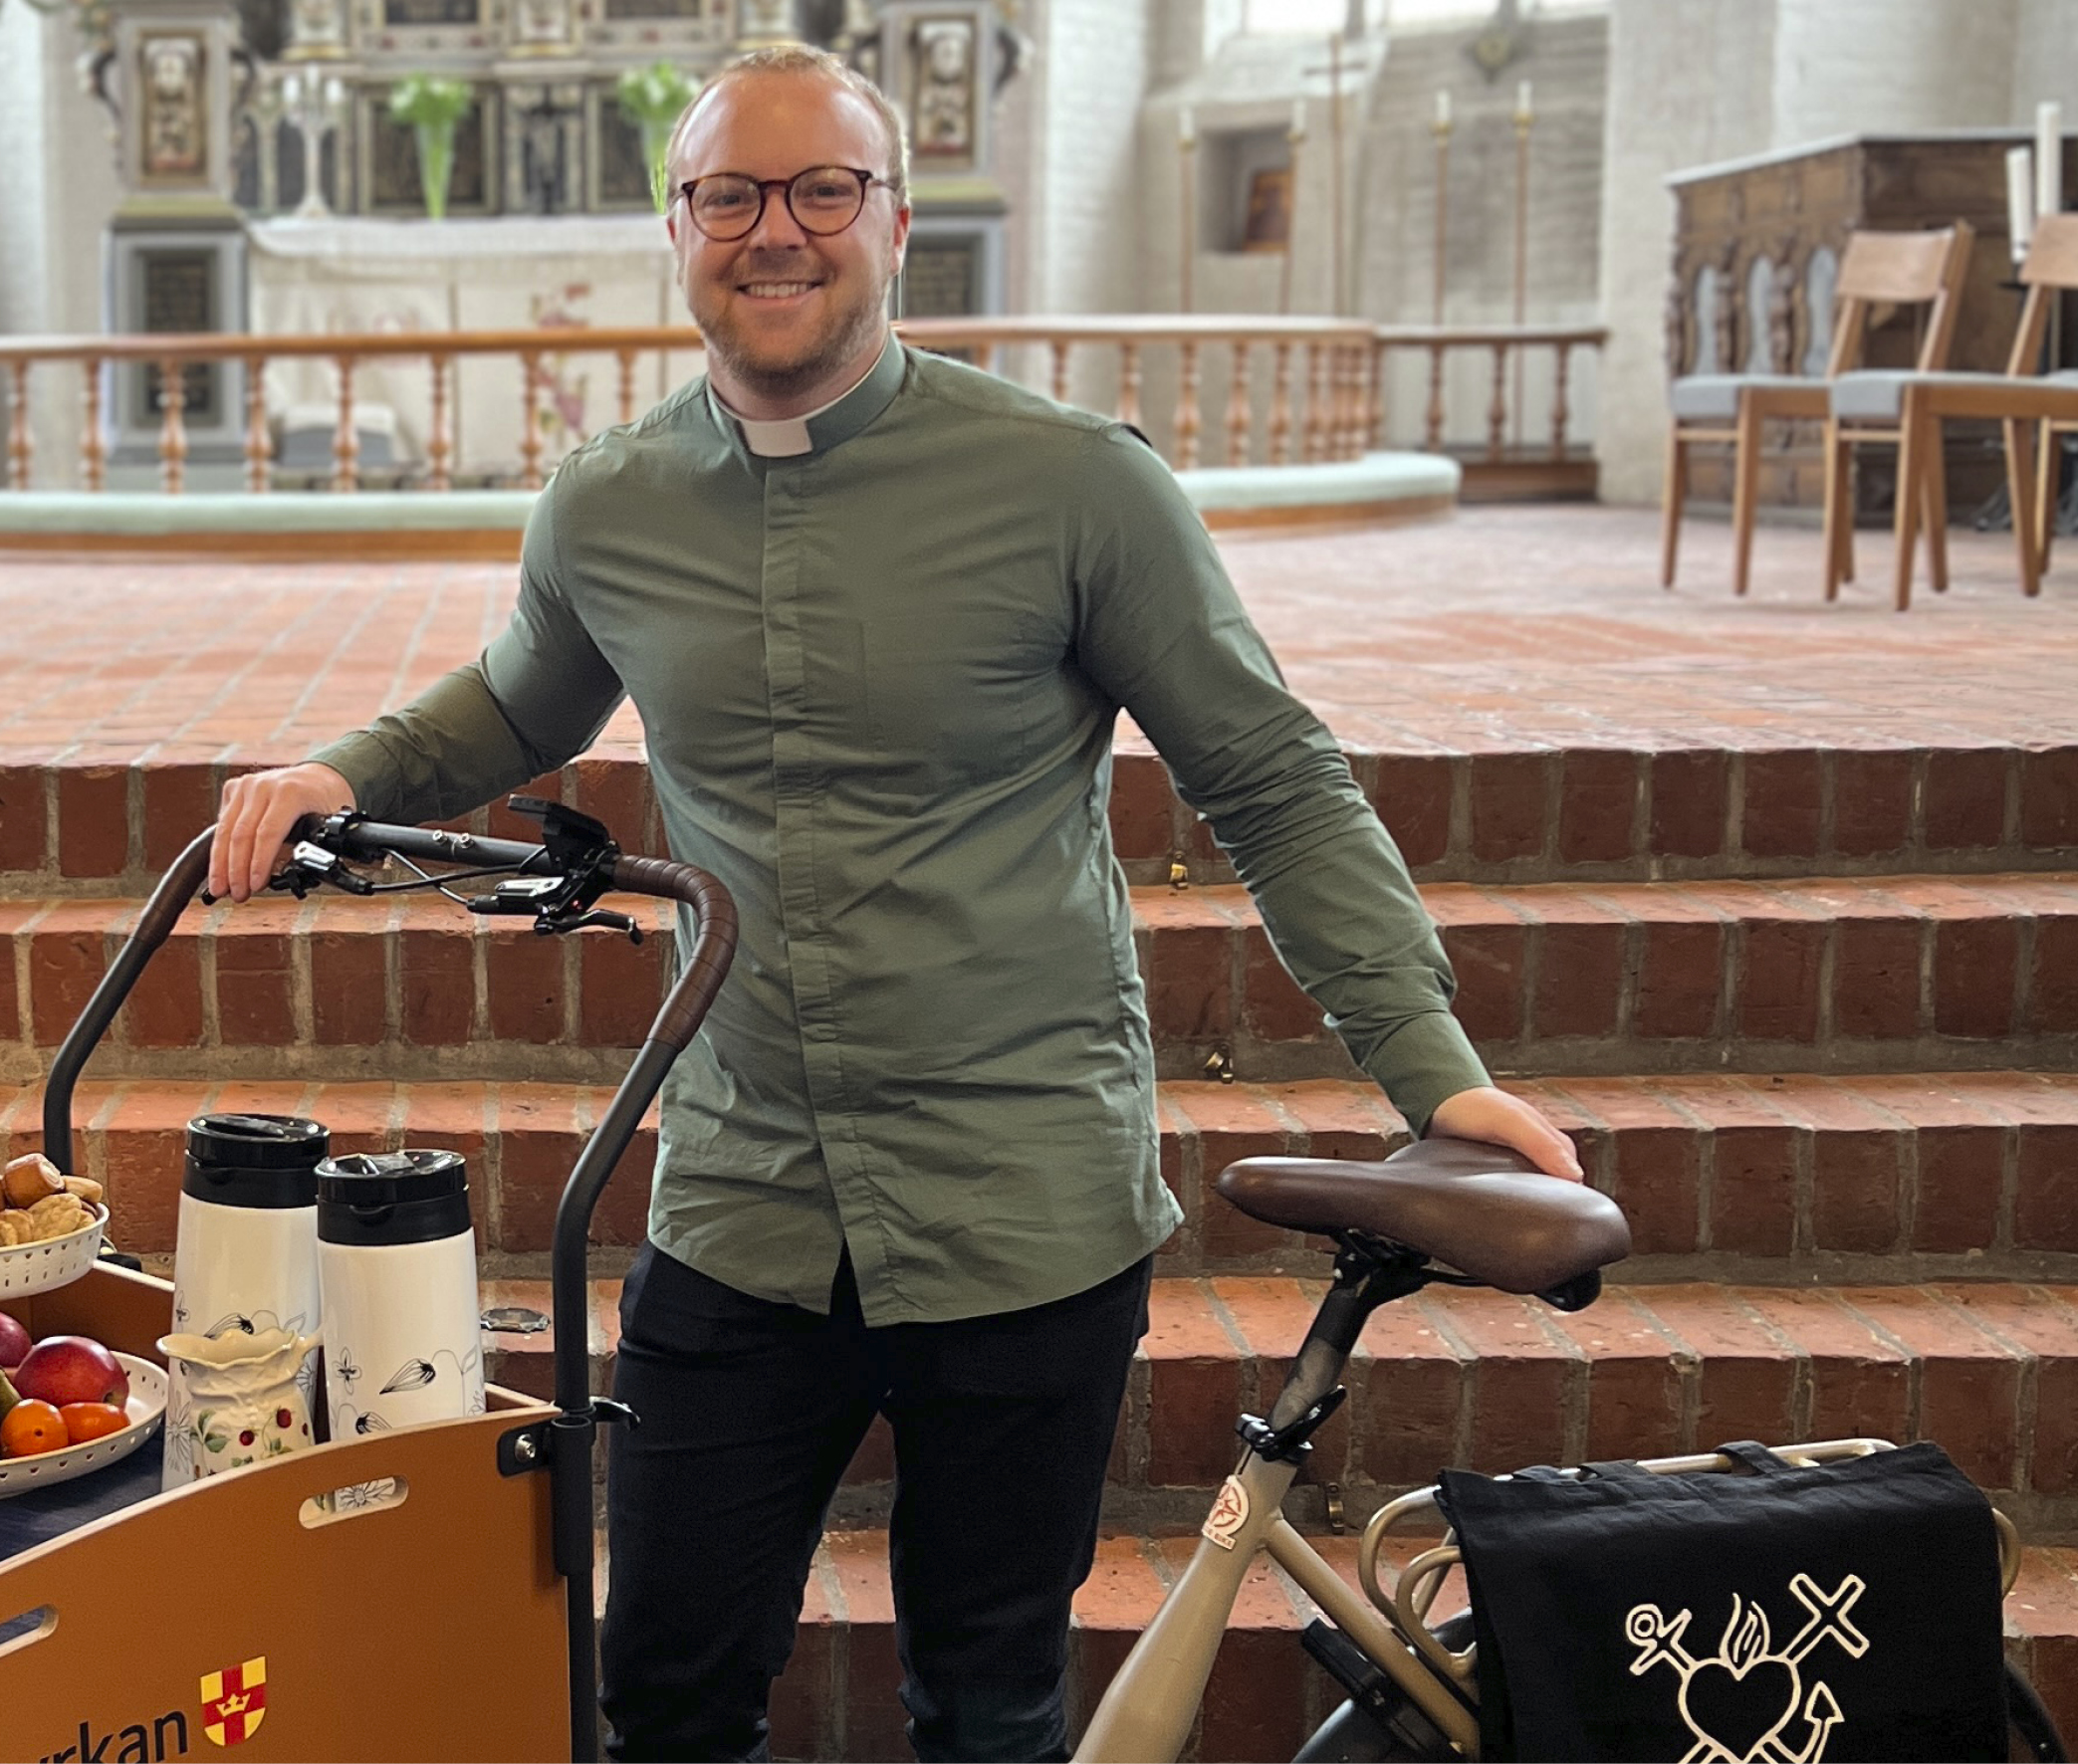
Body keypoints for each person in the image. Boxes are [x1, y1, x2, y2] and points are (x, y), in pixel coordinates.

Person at [205, 43, 1583, 1764]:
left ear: (895, 219)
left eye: (820, 190)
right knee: (666, 1688)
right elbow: (513, 702)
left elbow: (1273, 776)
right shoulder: (610, 500)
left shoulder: (1077, 485)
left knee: (988, 1701)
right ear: (679, 224)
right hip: (744, 1189)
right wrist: (343, 777)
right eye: (731, 195)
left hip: (1019, 1200)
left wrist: (1430, 1070)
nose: (773, 232)